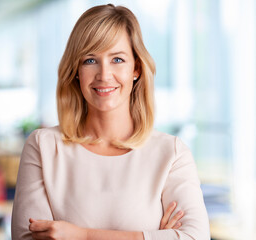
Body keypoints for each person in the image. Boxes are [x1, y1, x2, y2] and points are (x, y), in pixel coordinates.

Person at [12, 4, 210, 240]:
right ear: (76, 70)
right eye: (90, 60)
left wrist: (80, 235)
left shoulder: (172, 154)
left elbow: (195, 237)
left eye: (117, 59)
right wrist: (153, 235)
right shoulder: (43, 147)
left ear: (136, 68)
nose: (104, 75)